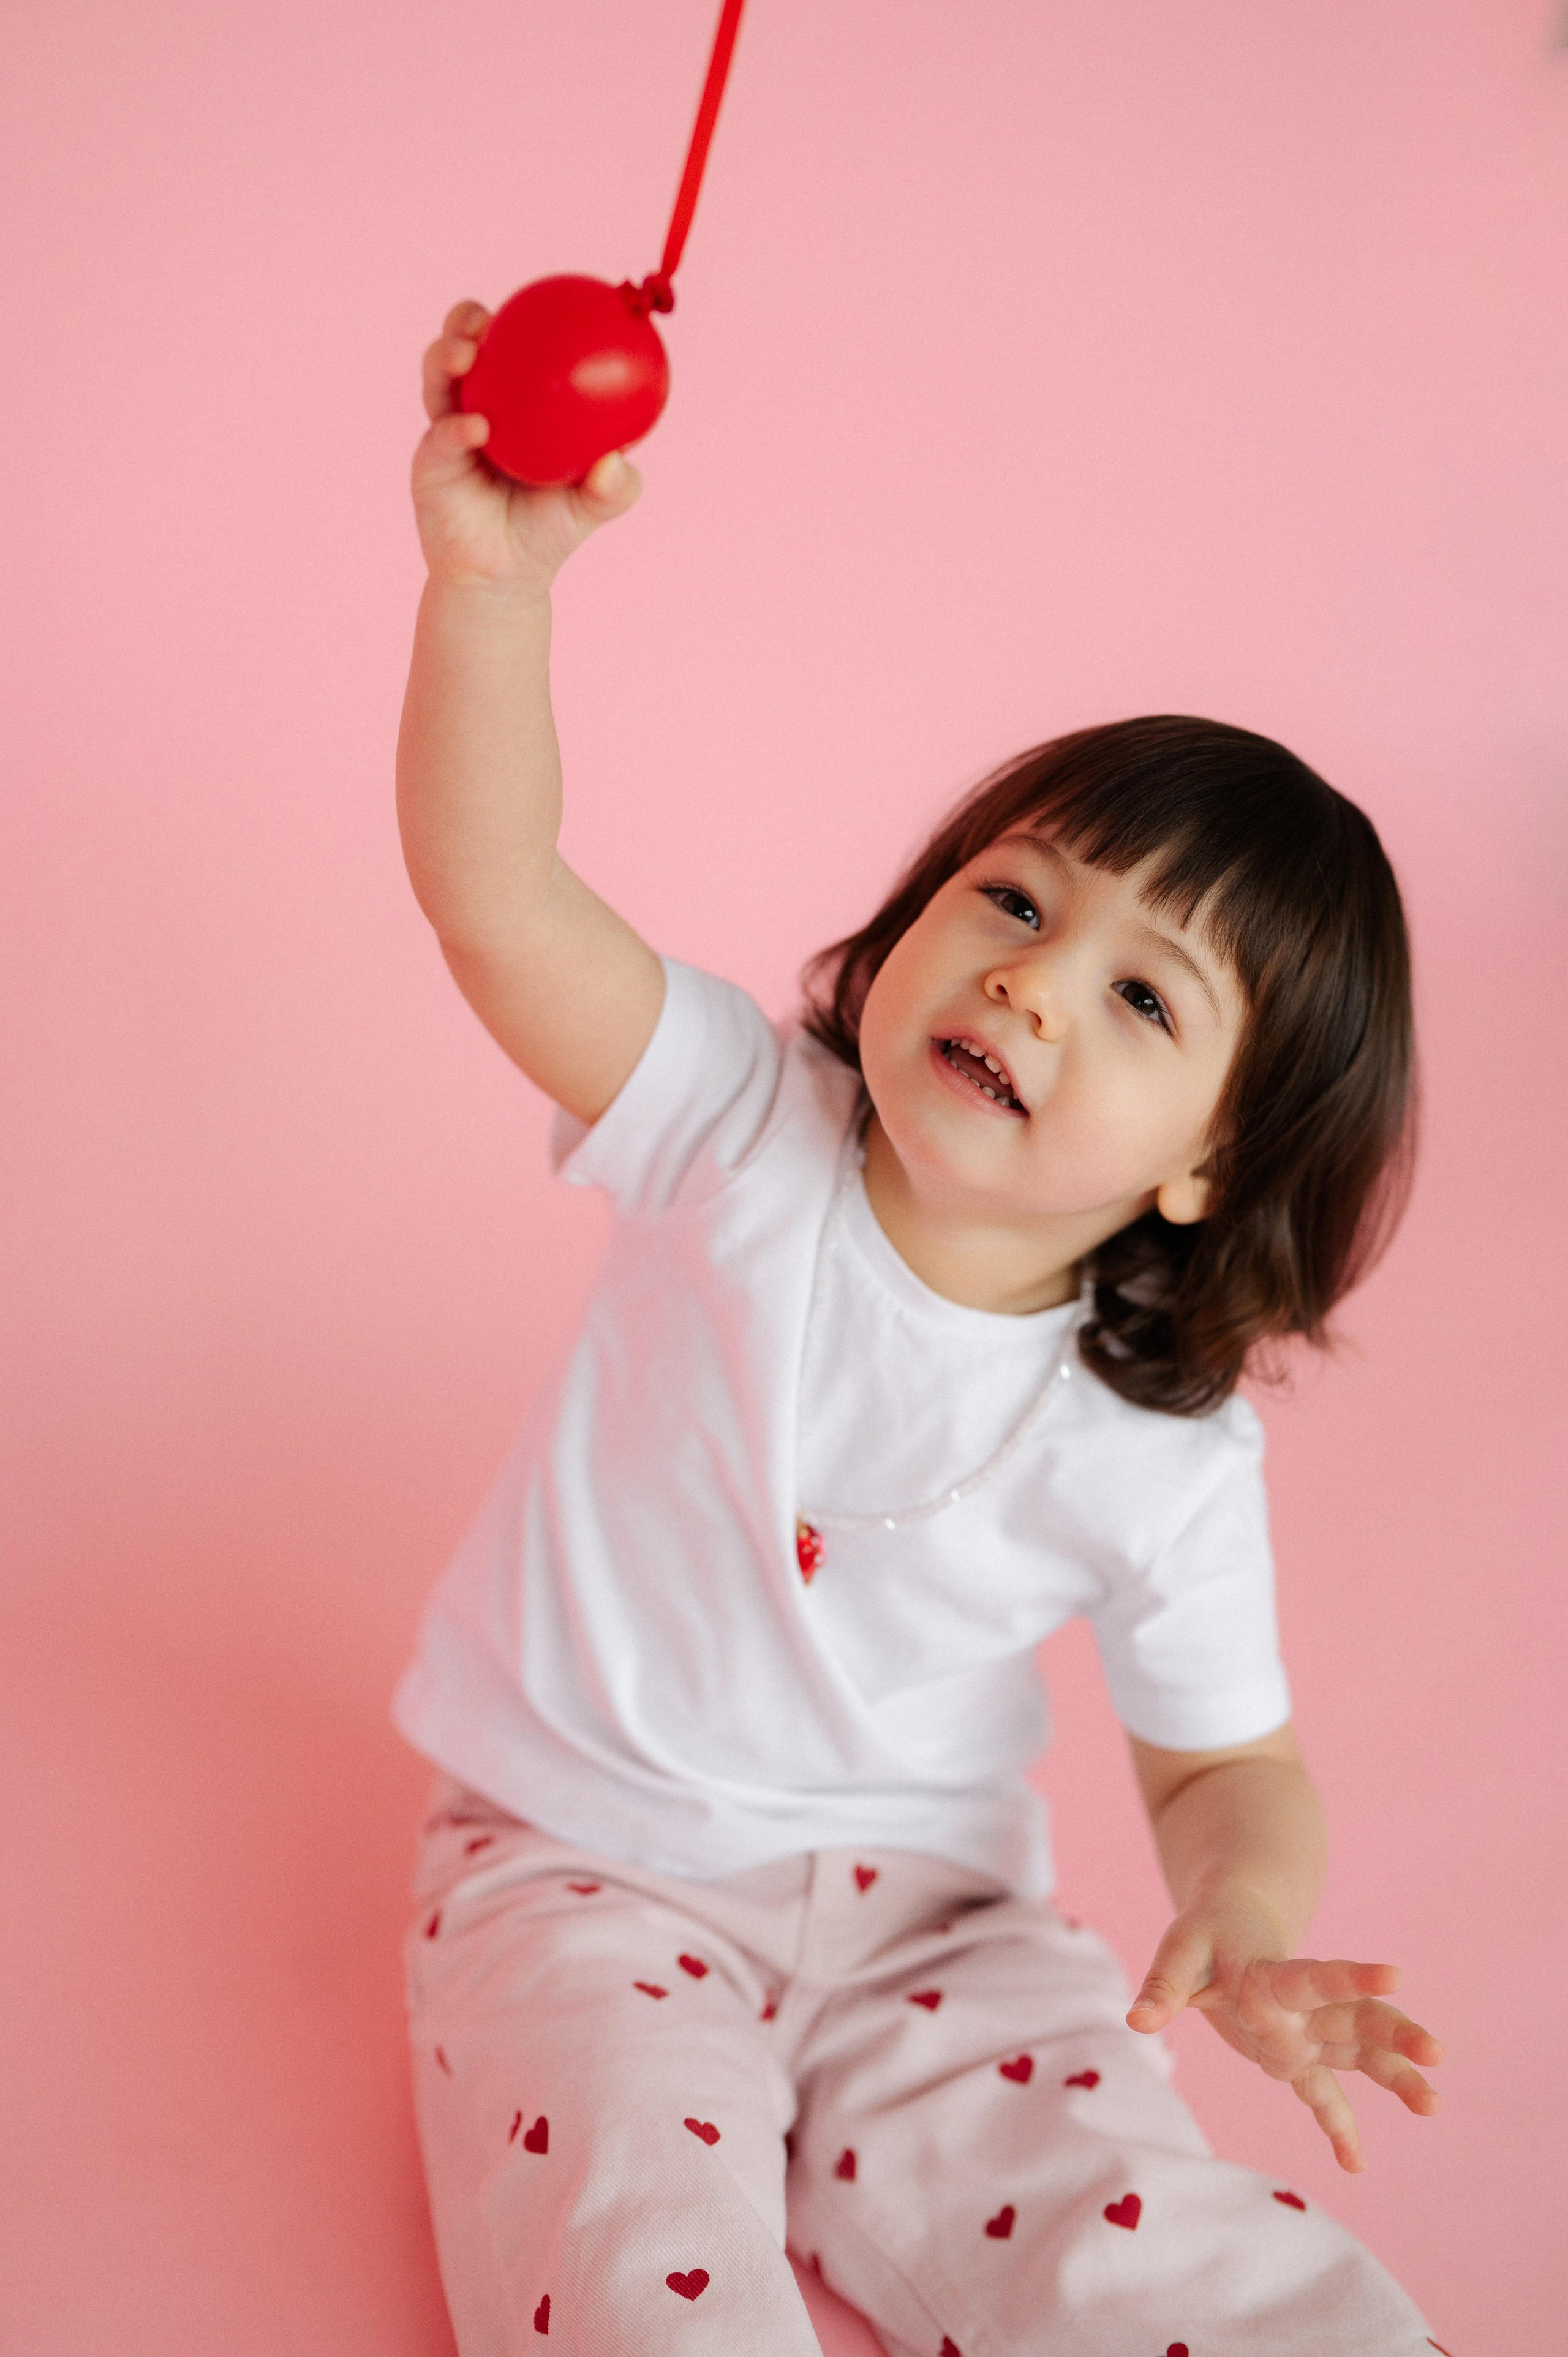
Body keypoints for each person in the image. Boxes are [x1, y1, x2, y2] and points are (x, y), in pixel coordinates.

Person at [390, 299, 1449, 2357]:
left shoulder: (1159, 1445)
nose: (1037, 986)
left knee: (1162, 2252)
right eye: (1019, 902)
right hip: (576, 1867)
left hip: (935, 1923)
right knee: (638, 2277)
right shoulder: (723, 1123)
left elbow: (1230, 1758)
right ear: (920, 912)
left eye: (1146, 1001)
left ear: (1209, 1173)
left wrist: (1241, 1916)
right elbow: (493, 888)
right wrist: (486, 595)